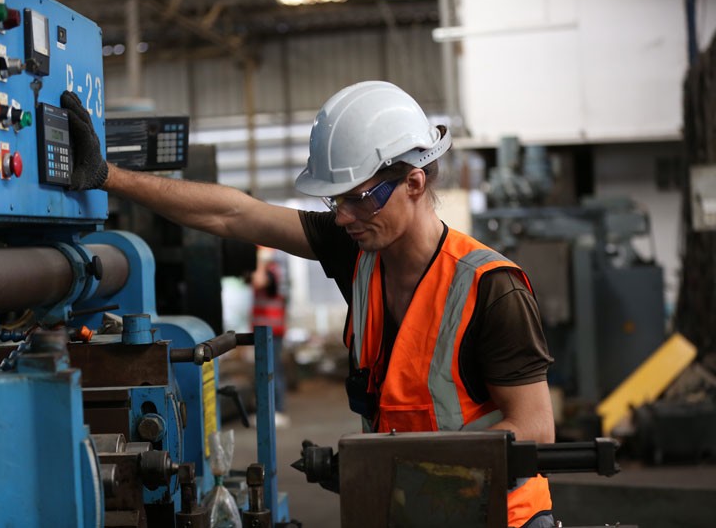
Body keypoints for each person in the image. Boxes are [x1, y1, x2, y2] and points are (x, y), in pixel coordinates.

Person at [61, 81, 556, 528]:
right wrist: (108, 176)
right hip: (412, 509)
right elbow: (234, 214)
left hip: (500, 517)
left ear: (414, 183)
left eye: (358, 198)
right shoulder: (359, 250)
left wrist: (399, 469)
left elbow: (535, 431)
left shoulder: (492, 288)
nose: (342, 218)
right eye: (334, 201)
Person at [250, 246, 290, 426]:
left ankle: (278, 410)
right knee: (264, 369)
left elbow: (258, 281)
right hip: (263, 329)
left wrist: (260, 262)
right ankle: (267, 410)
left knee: (272, 369)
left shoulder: (273, 273)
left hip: (272, 330)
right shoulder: (269, 271)